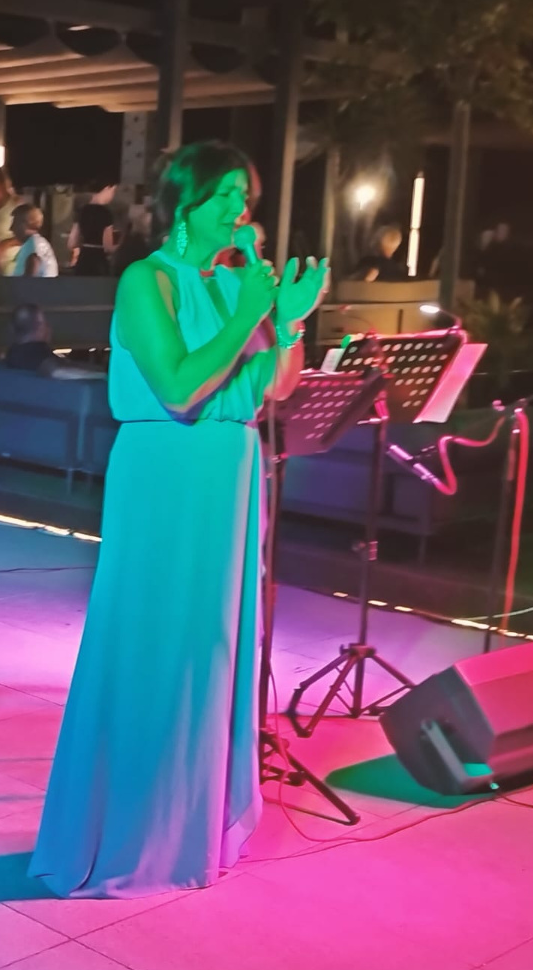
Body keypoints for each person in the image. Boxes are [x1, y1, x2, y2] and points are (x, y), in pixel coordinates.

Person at [29, 141, 329, 898]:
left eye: (243, 196)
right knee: (149, 640)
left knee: (209, 646)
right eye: (225, 194)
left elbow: (274, 387)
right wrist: (254, 310)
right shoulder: (147, 280)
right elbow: (179, 386)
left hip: (229, 474)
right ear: (185, 202)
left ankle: (191, 824)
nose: (240, 209)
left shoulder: (233, 284)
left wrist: (290, 324)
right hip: (165, 472)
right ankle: (128, 830)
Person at [68, 182, 118, 276]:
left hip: (83, 261)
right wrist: (120, 246)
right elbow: (108, 247)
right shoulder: (106, 213)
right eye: (113, 191)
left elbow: (72, 243)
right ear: (107, 188)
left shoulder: (82, 211)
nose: (113, 195)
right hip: (99, 263)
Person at [9, 204, 59, 278]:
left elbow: (30, 281)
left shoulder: (32, 245)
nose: (11, 228)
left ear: (26, 224)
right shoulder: (34, 243)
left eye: (15, 222)